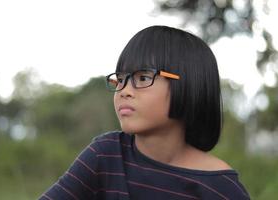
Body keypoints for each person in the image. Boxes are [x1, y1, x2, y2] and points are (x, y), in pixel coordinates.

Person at [39, 25, 250, 200]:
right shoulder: (106, 154)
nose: (124, 91)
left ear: (188, 85)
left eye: (142, 78)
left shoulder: (221, 189)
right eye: (120, 80)